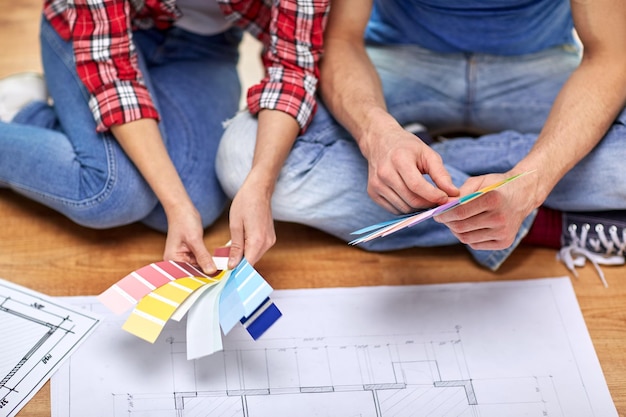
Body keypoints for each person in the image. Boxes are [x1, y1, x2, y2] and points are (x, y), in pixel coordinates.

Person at [216, 0, 626, 277]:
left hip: (538, 66)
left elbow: (610, 54)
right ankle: (544, 223)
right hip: (398, 60)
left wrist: (532, 179)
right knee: (242, 157)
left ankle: (441, 162)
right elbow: (341, 40)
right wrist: (377, 132)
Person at [0, 0, 328, 273]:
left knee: (195, 202)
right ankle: (17, 117)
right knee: (110, 192)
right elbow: (113, 75)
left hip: (205, 48)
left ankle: (33, 115)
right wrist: (176, 204)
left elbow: (293, 68)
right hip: (91, 34)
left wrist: (261, 182)